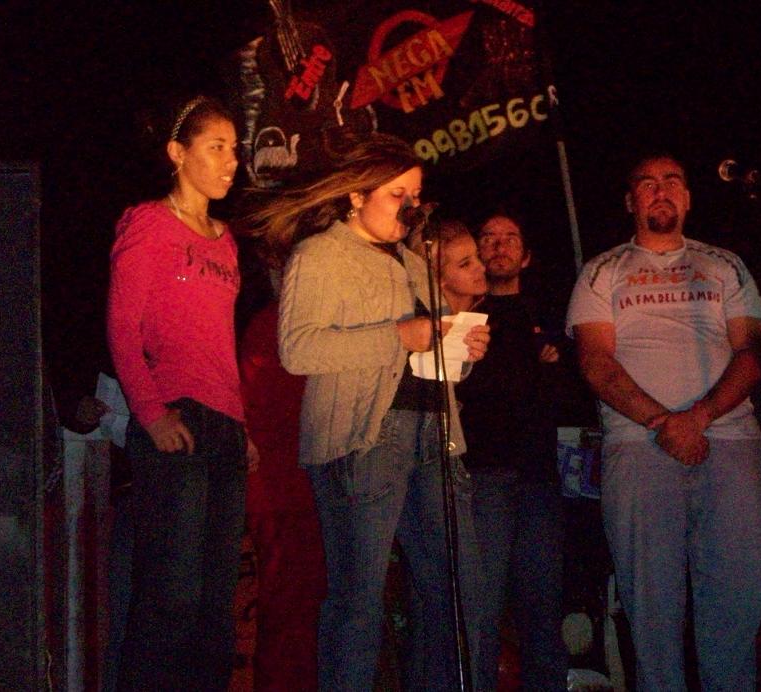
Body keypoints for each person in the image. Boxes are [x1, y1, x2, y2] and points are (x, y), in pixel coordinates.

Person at [250, 132, 489, 691]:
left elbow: (427, 354)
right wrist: (399, 335)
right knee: (359, 601)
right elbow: (299, 349)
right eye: (396, 194)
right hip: (365, 439)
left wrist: (462, 348)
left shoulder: (412, 263)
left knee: (459, 591)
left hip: (435, 434)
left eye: (416, 196)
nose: (410, 207)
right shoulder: (320, 255)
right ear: (357, 196)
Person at [567, 154, 761, 690]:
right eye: (648, 183)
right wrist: (663, 422)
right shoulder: (602, 270)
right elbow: (596, 362)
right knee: (651, 604)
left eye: (673, 181)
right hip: (640, 445)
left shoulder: (725, 264)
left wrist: (699, 417)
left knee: (735, 600)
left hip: (727, 440)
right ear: (630, 200)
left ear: (688, 197)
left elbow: (751, 353)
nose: (661, 191)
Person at [106, 95, 253, 691]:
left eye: (235, 149)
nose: (231, 161)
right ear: (177, 152)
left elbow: (221, 341)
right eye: (216, 147)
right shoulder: (148, 224)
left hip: (224, 426)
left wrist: (243, 428)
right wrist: (151, 413)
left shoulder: (226, 239)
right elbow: (123, 326)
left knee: (216, 604)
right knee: (172, 596)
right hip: (177, 417)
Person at [453, 214, 569, 692]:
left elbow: (568, 392)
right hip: (482, 477)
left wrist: (550, 367)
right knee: (480, 611)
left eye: (510, 239)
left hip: (539, 478)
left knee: (543, 609)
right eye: (489, 239)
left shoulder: (548, 317)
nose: (499, 247)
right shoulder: (461, 317)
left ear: (526, 255)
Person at [239, 295, 326, 692]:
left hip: (311, 482)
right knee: (289, 609)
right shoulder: (275, 322)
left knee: (311, 610)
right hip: (283, 486)